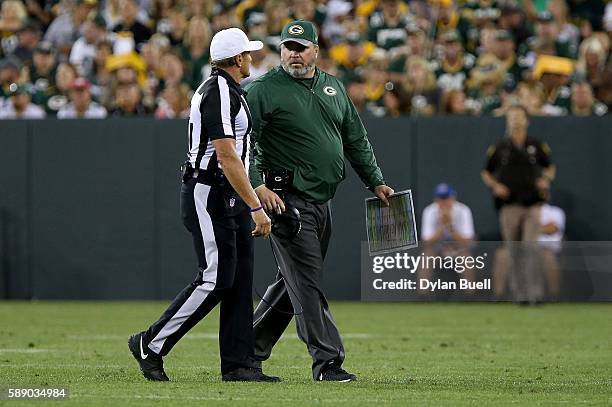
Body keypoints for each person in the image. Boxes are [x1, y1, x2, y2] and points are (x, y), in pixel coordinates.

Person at [128, 27, 279, 383]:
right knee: (215, 278)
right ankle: (150, 343)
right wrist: (256, 205)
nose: (252, 59)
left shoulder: (229, 91)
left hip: (227, 193)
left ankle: (240, 364)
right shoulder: (217, 92)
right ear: (237, 58)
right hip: (209, 192)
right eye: (248, 54)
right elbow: (226, 155)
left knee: (240, 279)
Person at [245, 20, 394, 382]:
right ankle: (327, 361)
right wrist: (255, 187)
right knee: (307, 281)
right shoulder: (263, 89)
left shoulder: (333, 86)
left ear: (316, 51)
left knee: (292, 282)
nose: (294, 54)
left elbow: (355, 139)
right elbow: (242, 142)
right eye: (287, 47)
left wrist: (375, 180)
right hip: (286, 200)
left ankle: (244, 350)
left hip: (323, 199)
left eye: (301, 47)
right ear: (280, 51)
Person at [481, 104, 556, 303]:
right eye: (512, 117)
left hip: (533, 203)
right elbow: (486, 172)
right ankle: (519, 294)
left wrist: (545, 180)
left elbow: (549, 167)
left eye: (518, 117)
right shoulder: (500, 147)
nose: (515, 120)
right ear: (507, 121)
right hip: (509, 204)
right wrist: (495, 186)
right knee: (513, 249)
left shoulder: (536, 144)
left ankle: (535, 293)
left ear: (526, 120)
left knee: (531, 247)